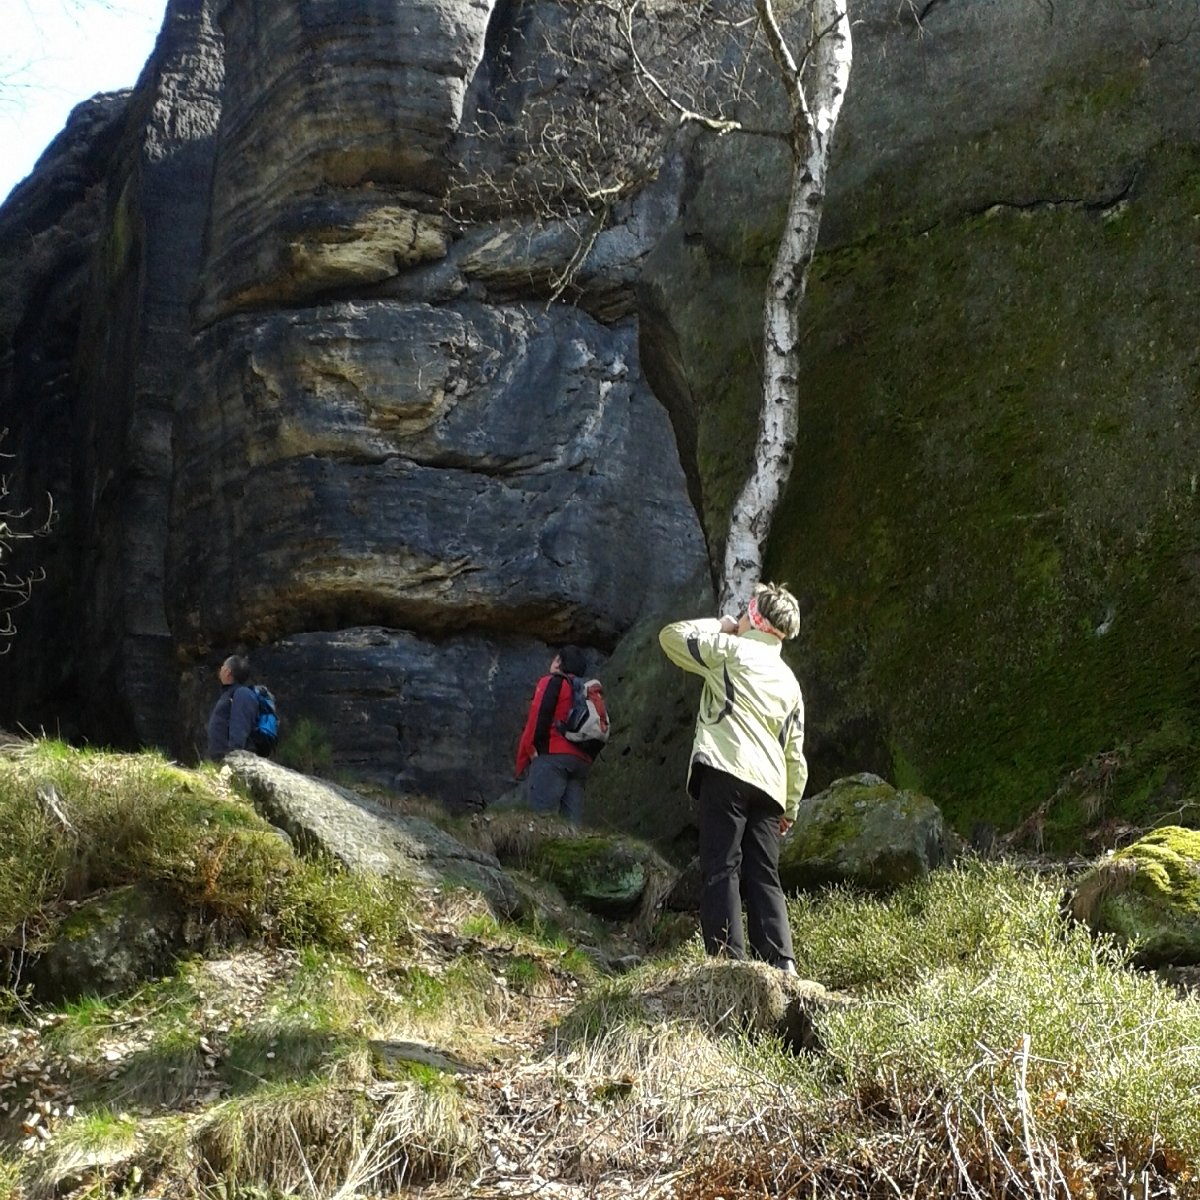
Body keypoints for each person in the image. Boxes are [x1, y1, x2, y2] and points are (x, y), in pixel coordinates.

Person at [659, 582, 807, 974]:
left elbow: (672, 637)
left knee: (722, 864)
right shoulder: (790, 682)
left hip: (726, 767)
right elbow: (795, 752)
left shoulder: (729, 649)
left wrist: (720, 625)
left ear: (753, 617)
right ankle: (781, 962)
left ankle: (728, 961)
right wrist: (790, 807)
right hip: (771, 787)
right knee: (764, 874)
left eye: (744, 611)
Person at [514, 646, 596, 825]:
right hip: (581, 761)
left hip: (553, 755)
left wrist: (529, 752)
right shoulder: (586, 690)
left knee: (540, 820)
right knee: (572, 825)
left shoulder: (553, 682)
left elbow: (537, 718)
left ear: (559, 662)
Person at [206, 654, 260, 760]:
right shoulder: (228, 694)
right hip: (221, 759)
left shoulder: (241, 693)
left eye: (223, 666)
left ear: (227, 671)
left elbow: (239, 726)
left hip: (230, 760)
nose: (220, 669)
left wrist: (234, 756)